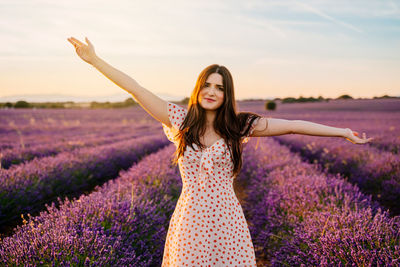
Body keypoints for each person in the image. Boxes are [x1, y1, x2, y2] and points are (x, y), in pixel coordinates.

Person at [67, 36, 374, 266]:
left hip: (228, 220)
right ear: (198, 89)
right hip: (190, 219)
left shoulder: (240, 125)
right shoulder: (181, 121)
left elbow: (293, 124)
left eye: (220, 87)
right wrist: (95, 60)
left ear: (227, 94)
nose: (212, 91)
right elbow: (135, 88)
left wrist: (343, 133)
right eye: (207, 85)